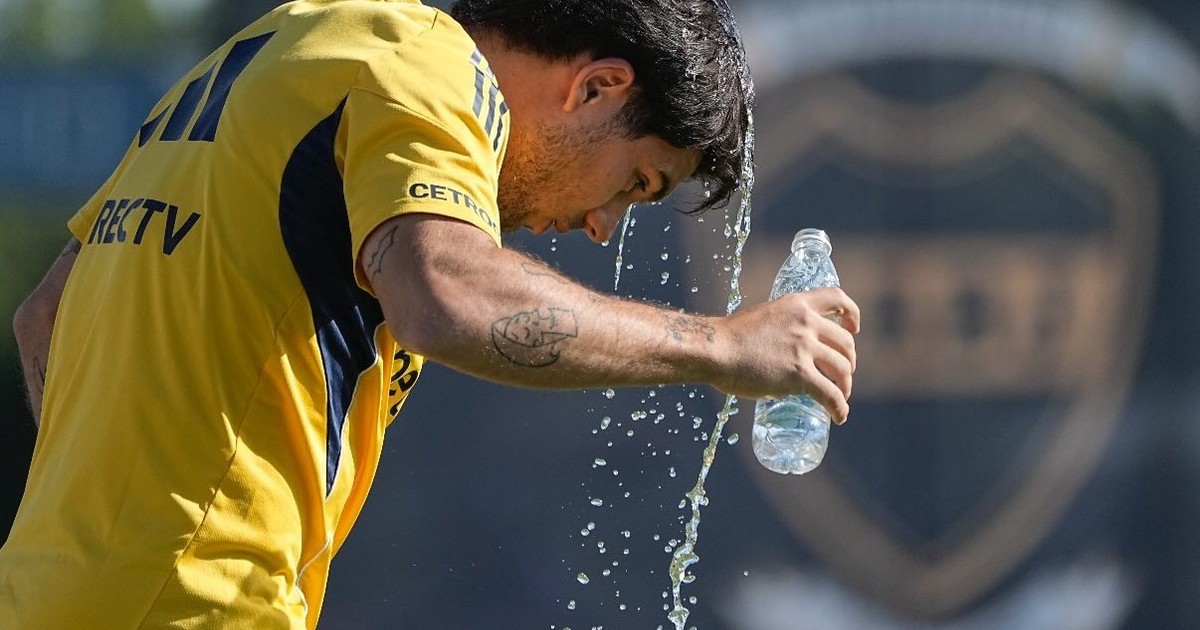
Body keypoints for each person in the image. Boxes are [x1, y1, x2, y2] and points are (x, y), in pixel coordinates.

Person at [2, 0, 860, 627]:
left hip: (44, 592)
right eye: (635, 183)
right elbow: (446, 295)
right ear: (597, 87)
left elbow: (46, 316)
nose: (603, 225)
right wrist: (724, 346)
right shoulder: (431, 63)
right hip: (201, 603)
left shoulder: (281, 44)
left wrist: (116, 524)